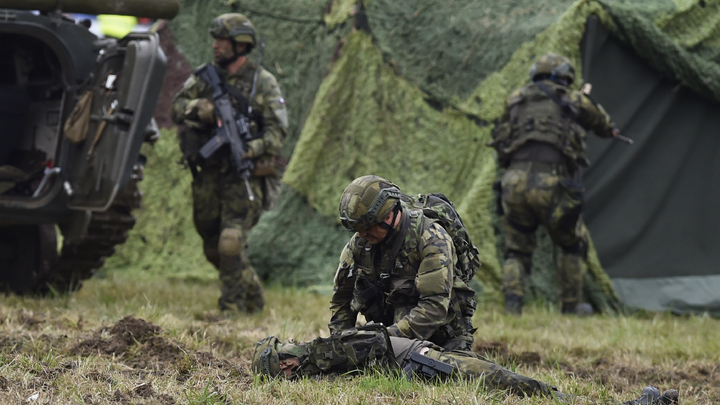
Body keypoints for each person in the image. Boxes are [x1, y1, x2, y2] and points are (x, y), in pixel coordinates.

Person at [170, 13, 288, 313]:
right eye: (215, 40)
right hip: (208, 175)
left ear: (240, 45)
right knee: (212, 245)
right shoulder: (203, 77)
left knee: (230, 242)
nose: (215, 46)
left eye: (222, 40)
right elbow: (176, 108)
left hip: (243, 175)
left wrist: (251, 148)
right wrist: (199, 107)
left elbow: (278, 132)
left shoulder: (263, 83)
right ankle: (253, 296)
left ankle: (231, 308)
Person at [487, 53, 619, 316]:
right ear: (564, 75)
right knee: (572, 243)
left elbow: (502, 137)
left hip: (513, 181)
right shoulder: (572, 99)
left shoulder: (515, 99)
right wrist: (584, 97)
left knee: (516, 249)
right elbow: (605, 126)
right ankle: (570, 307)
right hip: (551, 181)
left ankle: (513, 306)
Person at [251, 324, 679, 405]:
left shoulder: (319, 355)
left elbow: (375, 343)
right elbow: (375, 343)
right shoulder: (317, 357)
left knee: (512, 382)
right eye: (284, 349)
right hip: (426, 364)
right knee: (512, 384)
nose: (291, 346)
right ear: (285, 367)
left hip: (424, 359)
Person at [330, 175, 477, 351]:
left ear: (388, 216)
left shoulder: (430, 238)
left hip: (442, 337)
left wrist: (380, 340)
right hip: (390, 336)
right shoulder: (359, 244)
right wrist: (340, 345)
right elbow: (342, 300)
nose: (362, 235)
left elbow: (434, 308)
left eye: (368, 227)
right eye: (358, 230)